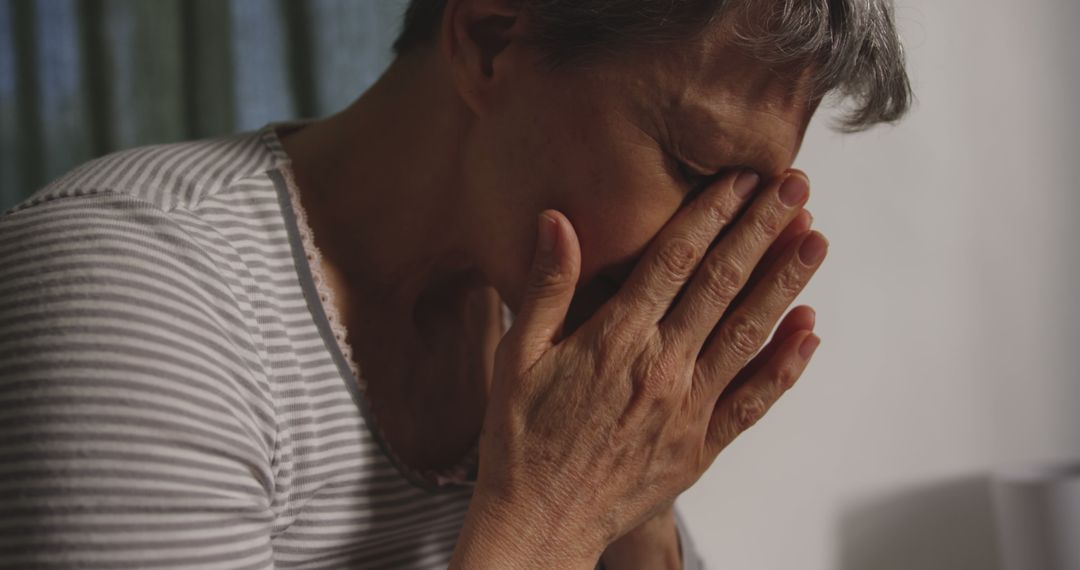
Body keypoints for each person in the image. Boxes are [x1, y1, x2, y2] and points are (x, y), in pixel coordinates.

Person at [0, 0, 912, 568]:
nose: (714, 250)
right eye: (694, 163)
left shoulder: (546, 336)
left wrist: (639, 496)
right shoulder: (137, 297)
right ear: (489, 41)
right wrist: (552, 517)